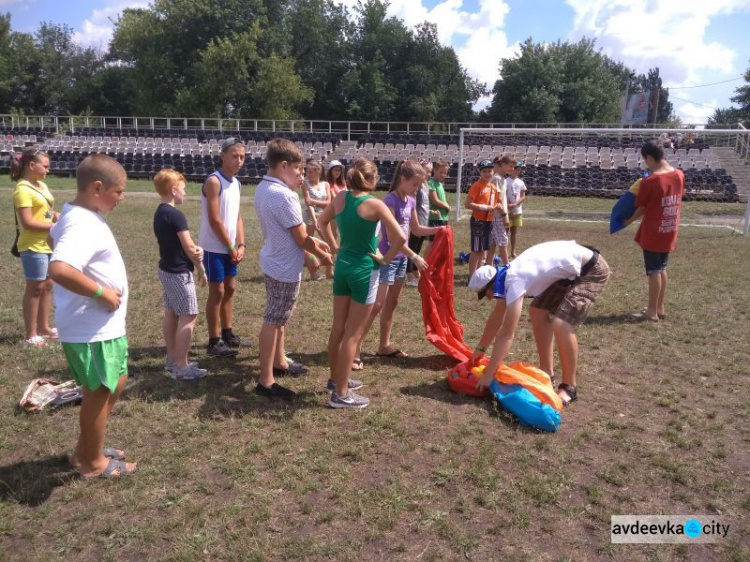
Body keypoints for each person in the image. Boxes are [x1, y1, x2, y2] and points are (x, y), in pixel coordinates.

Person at [49, 154, 137, 478]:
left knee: (113, 384)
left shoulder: (78, 215)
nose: (122, 197)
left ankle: (86, 450)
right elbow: (59, 268)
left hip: (100, 327)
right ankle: (93, 464)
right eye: (118, 191)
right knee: (100, 391)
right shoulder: (81, 222)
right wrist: (102, 292)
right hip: (92, 328)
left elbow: (54, 242)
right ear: (97, 187)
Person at [469, 240, 610, 406]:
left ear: (491, 287)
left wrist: (489, 374)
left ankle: (569, 387)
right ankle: (546, 373)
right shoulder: (505, 276)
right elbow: (496, 317)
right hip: (568, 271)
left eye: (486, 294)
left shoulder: (515, 280)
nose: (488, 298)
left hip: (591, 268)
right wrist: (480, 348)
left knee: (561, 323)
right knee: (537, 312)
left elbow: (507, 334)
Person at [317, 157, 407, 408]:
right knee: (353, 336)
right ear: (372, 178)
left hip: (343, 268)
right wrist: (384, 259)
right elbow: (400, 237)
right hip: (364, 272)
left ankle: (335, 381)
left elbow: (320, 222)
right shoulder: (375, 205)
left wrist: (335, 248)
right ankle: (341, 394)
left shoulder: (340, 198)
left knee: (338, 329)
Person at [254, 138, 333, 399]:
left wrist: (316, 242)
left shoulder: (264, 187)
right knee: (274, 320)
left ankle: (279, 362)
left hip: (275, 260)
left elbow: (295, 233)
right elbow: (301, 238)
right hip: (283, 266)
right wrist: (323, 252)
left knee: (280, 318)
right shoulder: (284, 196)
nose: (302, 174)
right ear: (284, 165)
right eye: (299, 170)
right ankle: (266, 380)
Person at [357, 160, 439, 360]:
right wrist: (414, 255)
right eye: (415, 184)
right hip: (387, 259)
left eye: (419, 186)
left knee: (392, 303)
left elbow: (417, 229)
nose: (417, 189)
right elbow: (392, 238)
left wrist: (441, 229)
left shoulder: (410, 200)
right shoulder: (389, 201)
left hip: (401, 259)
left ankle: (384, 345)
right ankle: (355, 348)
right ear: (403, 179)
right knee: (377, 304)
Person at [153, 168, 208, 381]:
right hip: (178, 272)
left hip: (166, 269)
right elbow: (190, 248)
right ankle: (182, 367)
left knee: (172, 313)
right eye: (183, 189)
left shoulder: (160, 212)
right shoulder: (175, 214)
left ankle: (172, 357)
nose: (185, 192)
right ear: (174, 189)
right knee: (189, 315)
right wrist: (201, 267)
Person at [199, 137, 250, 357]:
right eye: (234, 156)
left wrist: (241, 244)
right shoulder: (214, 181)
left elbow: (237, 217)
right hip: (213, 247)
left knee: (230, 289)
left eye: (242, 157)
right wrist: (230, 246)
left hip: (230, 247)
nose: (239, 161)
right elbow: (214, 219)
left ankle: (228, 333)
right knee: (217, 291)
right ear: (222, 157)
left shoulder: (236, 183)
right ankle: (214, 340)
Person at [625, 140, 685, 322]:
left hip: (654, 230)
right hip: (670, 227)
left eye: (645, 160)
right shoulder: (679, 174)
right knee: (662, 268)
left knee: (653, 271)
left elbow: (641, 207)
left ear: (650, 158)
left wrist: (628, 221)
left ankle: (651, 312)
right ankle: (660, 307)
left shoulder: (650, 180)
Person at [11, 148, 58, 346]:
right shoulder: (22, 190)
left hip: (47, 244)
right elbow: (28, 222)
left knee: (47, 286)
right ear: (32, 165)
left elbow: (46, 210)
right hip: (33, 246)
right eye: (45, 166)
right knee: (35, 288)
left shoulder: (42, 186)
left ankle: (44, 328)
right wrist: (54, 226)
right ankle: (31, 335)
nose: (48, 170)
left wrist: (56, 215)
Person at [464, 159, 503, 278]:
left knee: (483, 249)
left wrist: (498, 206)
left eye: (489, 171)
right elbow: (467, 204)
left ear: (493, 171)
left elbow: (498, 203)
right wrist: (483, 207)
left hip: (489, 221)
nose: (487, 174)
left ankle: (479, 274)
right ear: (480, 172)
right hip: (478, 221)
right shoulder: (477, 186)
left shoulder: (493, 187)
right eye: (484, 171)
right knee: (476, 250)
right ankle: (472, 276)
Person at [301, 159, 332, 280]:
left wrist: (314, 201)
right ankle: (313, 273)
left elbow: (328, 202)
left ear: (318, 172)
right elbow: (308, 204)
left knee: (328, 243)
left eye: (310, 172)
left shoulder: (326, 184)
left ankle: (330, 270)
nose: (307, 174)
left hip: (324, 216)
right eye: (307, 172)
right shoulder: (305, 184)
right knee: (308, 245)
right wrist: (314, 219)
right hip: (310, 216)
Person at [405, 159, 433, 287]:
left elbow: (424, 204)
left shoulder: (425, 184)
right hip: (416, 222)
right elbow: (413, 204)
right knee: (411, 249)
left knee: (417, 248)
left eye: (430, 172)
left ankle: (415, 272)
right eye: (426, 171)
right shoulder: (417, 186)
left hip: (424, 220)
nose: (428, 174)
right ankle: (410, 275)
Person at [488, 155, 514, 267]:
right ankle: (507, 265)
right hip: (497, 215)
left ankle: (489, 264)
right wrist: (504, 215)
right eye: (510, 166)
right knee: (503, 240)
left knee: (494, 241)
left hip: (498, 214)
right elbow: (497, 198)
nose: (512, 169)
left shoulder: (501, 178)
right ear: (502, 165)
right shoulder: (497, 178)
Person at [426, 159, 451, 255]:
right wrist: (447, 206)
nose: (443, 175)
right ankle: (426, 263)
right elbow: (435, 200)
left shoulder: (440, 184)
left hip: (442, 217)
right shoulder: (431, 183)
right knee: (432, 242)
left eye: (445, 173)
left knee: (440, 242)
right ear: (434, 171)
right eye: (441, 172)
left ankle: (434, 262)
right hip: (434, 217)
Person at [506, 160, 528, 258]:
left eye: (519, 170)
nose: (517, 171)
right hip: (507, 210)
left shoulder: (521, 182)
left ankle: (513, 251)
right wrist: (508, 207)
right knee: (505, 231)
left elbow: (523, 197)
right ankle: (504, 251)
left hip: (517, 210)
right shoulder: (505, 181)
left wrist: (515, 204)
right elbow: (502, 196)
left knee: (514, 232)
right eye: (516, 169)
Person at [326, 159, 347, 244]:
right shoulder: (328, 184)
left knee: (343, 233)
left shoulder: (343, 183)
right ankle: (331, 252)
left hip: (344, 210)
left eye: (339, 170)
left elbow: (346, 195)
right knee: (333, 234)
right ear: (331, 171)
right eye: (335, 170)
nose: (337, 172)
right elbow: (334, 198)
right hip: (333, 212)